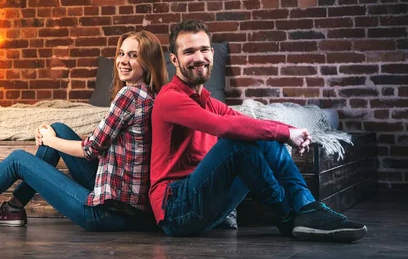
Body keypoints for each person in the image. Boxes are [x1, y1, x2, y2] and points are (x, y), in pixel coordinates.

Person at [0, 30, 167, 231]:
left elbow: (90, 150)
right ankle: (13, 208)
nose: (123, 60)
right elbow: (103, 147)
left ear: (148, 62)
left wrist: (49, 141)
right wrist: (53, 135)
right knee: (58, 127)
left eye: (133, 55)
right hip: (126, 204)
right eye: (121, 53)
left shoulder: (129, 96)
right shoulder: (150, 95)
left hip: (107, 213)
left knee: (18, 160)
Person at [149, 20, 367, 242]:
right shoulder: (170, 98)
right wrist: (285, 134)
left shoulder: (208, 101)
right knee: (236, 142)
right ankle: (289, 216)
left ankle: (307, 207)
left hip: (204, 205)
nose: (199, 57)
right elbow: (223, 126)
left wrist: (291, 131)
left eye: (204, 49)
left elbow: (246, 122)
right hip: (176, 210)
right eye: (189, 52)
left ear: (212, 53)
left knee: (258, 133)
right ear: (174, 59)